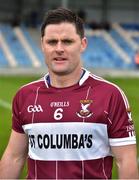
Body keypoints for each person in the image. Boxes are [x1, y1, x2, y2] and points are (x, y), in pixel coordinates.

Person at [0, 8, 138, 179]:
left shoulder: (111, 95)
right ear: (42, 44)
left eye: (67, 41)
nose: (59, 49)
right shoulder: (25, 95)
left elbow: (126, 160)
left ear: (83, 44)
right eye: (52, 42)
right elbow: (14, 157)